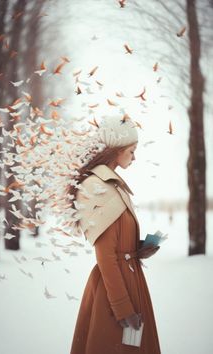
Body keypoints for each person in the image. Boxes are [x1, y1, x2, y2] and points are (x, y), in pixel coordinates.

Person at [69, 115, 161, 354]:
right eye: (131, 151)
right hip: (114, 292)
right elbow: (106, 256)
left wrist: (138, 248)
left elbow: (116, 242)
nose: (134, 157)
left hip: (127, 280)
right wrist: (122, 308)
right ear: (116, 150)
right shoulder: (97, 187)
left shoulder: (111, 184)